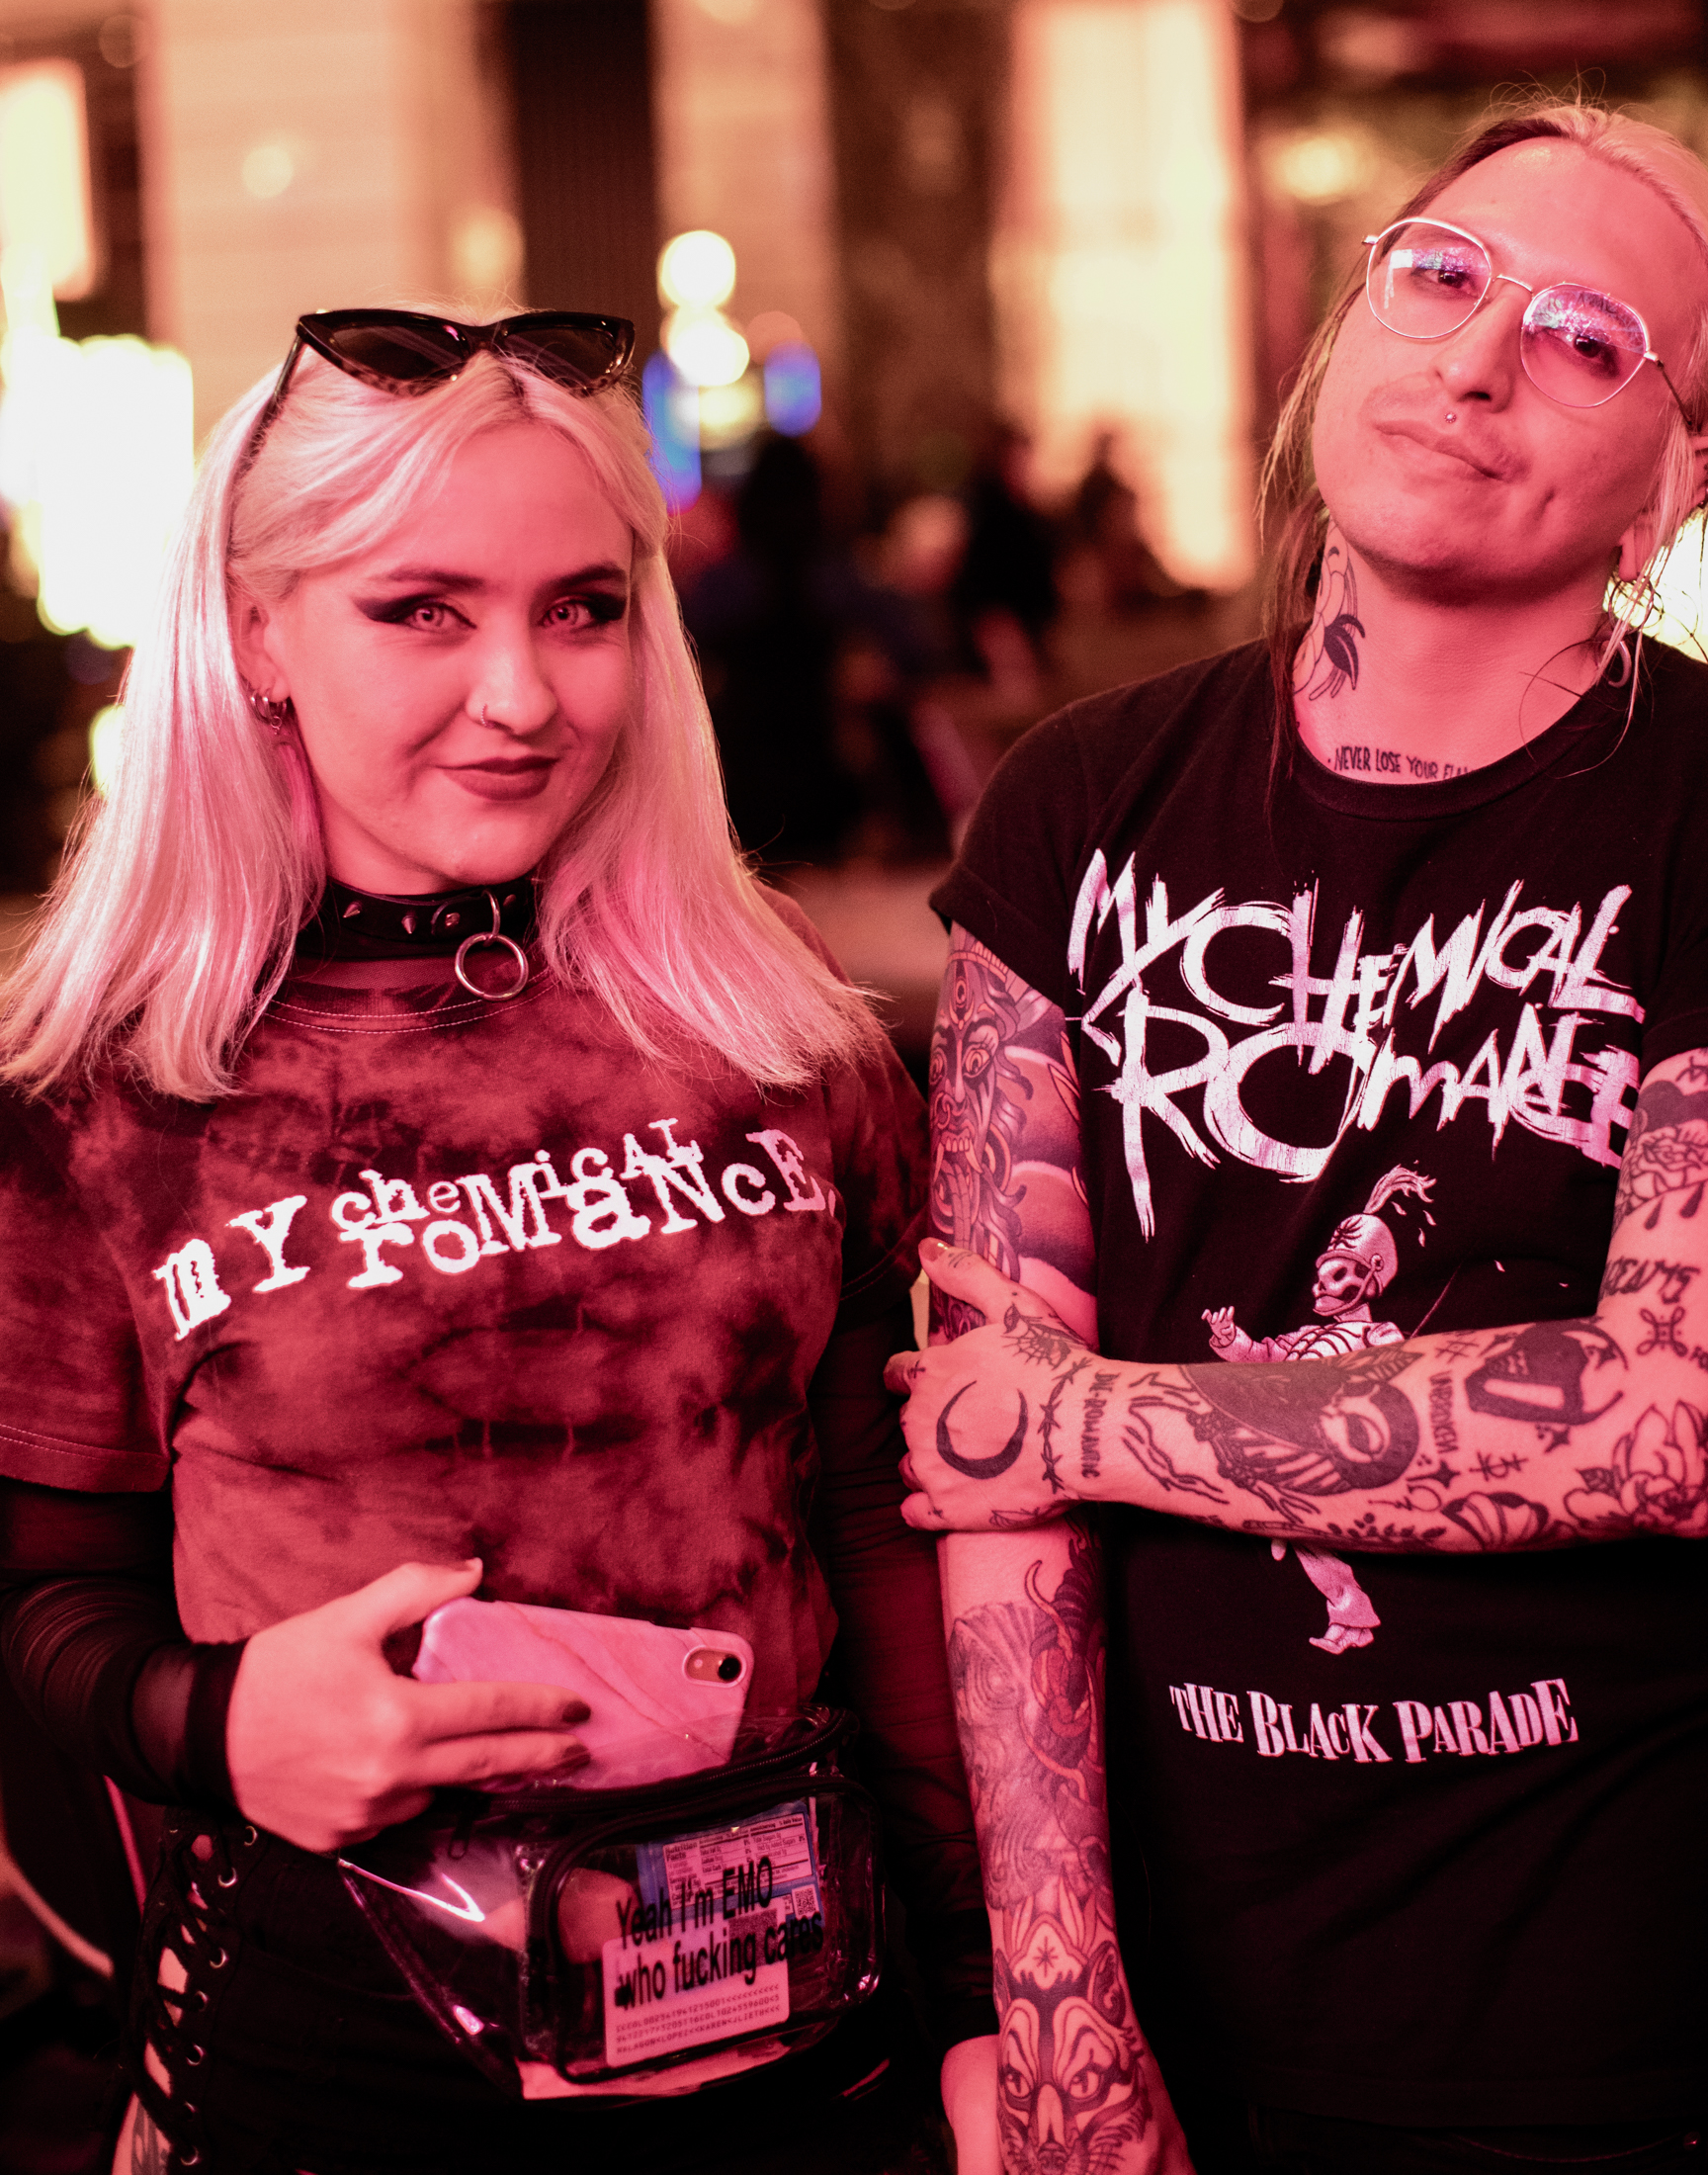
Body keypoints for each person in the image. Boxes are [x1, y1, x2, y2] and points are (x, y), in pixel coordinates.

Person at [0, 307, 995, 2173]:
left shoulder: (781, 1039)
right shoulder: (100, 1100)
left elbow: (881, 1541)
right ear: (255, 633)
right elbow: (36, 1592)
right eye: (423, 610)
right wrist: (215, 1722)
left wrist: (994, 2006)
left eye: (584, 606)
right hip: (329, 2076)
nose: (527, 695)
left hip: (806, 2061)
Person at [891, 101, 1708, 2174]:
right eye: (1438, 277)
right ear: (1342, 331)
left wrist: (1077, 1412)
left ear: (1678, 484)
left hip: (1628, 1984)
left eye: (1583, 335)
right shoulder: (1078, 800)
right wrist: (1063, 2008)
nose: (1474, 355)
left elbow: (1662, 1422)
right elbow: (981, 1500)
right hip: (1190, 1964)